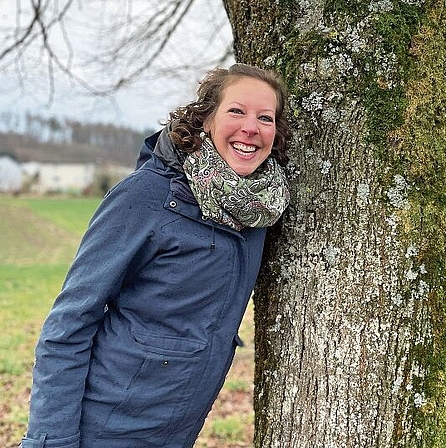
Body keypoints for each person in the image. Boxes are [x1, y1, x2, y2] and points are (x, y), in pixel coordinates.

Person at [20, 63, 291, 448]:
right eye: (236, 111)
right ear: (206, 118)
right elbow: (69, 324)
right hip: (106, 423)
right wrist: (52, 440)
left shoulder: (261, 206)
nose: (251, 127)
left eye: (265, 117)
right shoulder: (147, 195)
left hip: (178, 425)